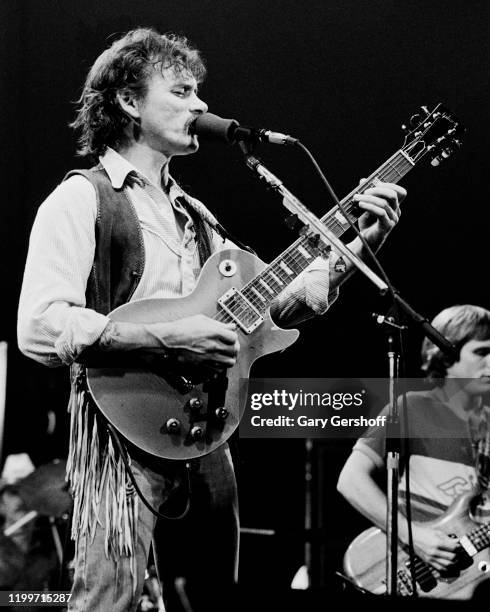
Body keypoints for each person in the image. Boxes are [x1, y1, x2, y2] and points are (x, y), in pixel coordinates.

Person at [17, 28, 405, 611]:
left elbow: (271, 309)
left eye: (200, 92)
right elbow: (39, 325)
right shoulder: (80, 200)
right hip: (121, 428)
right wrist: (170, 335)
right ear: (128, 102)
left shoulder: (195, 216)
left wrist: (354, 248)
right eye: (181, 90)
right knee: (109, 598)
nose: (201, 106)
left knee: (215, 595)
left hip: (207, 428)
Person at [337, 304, 490, 575]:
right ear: (445, 354)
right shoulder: (412, 408)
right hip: (409, 568)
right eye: (481, 352)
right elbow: (350, 480)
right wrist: (416, 539)